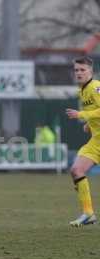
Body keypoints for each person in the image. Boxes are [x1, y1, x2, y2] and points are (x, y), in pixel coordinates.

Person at [66, 56, 99, 226]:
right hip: (97, 140)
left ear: (90, 71)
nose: (79, 73)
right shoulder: (82, 90)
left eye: (82, 70)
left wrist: (82, 115)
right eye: (76, 70)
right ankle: (88, 213)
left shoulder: (95, 87)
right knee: (76, 170)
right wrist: (89, 124)